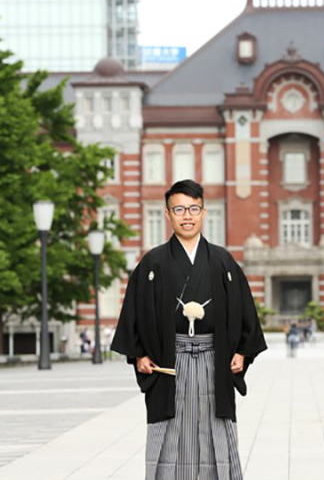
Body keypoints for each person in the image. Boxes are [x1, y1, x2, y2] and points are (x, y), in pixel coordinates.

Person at [112, 179, 267, 480]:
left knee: (215, 429)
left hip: (215, 358)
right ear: (168, 214)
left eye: (193, 208)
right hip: (168, 361)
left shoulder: (223, 261)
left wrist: (242, 352)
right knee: (170, 432)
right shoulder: (152, 262)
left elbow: (243, 309)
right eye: (179, 209)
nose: (187, 215)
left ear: (204, 213)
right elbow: (134, 309)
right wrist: (139, 354)